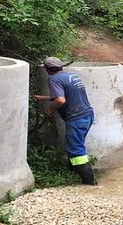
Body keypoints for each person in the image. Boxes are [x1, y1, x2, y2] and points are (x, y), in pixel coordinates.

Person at [33, 57, 97, 185]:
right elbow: (64, 95)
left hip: (76, 118)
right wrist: (43, 98)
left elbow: (61, 100)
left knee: (76, 149)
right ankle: (73, 172)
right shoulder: (72, 76)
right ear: (61, 66)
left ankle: (89, 182)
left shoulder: (53, 79)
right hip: (87, 114)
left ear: (47, 69)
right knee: (76, 145)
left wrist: (49, 109)